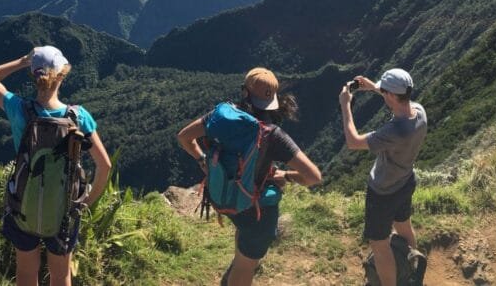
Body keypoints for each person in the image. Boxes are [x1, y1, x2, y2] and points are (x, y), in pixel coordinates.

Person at [177, 67, 322, 286]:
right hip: (257, 211)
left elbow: (184, 137)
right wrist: (287, 176)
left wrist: (202, 161)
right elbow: (313, 176)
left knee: (243, 243)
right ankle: (241, 265)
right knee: (246, 267)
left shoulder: (220, 117)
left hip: (226, 198)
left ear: (245, 92)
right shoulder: (273, 135)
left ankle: (240, 257)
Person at [0, 46, 112, 286]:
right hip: (64, 211)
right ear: (62, 75)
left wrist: (23, 60)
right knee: (61, 275)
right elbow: (104, 165)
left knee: (25, 273)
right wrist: (85, 203)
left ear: (34, 76)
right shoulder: (79, 117)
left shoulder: (19, 109)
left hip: (23, 206)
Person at [338, 68, 427, 286]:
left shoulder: (395, 131)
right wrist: (373, 87)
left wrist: (345, 105)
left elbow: (353, 141)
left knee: (379, 244)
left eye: (385, 91)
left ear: (392, 96)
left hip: (383, 191)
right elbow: (398, 98)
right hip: (405, 181)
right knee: (403, 225)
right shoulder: (419, 111)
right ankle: (411, 269)